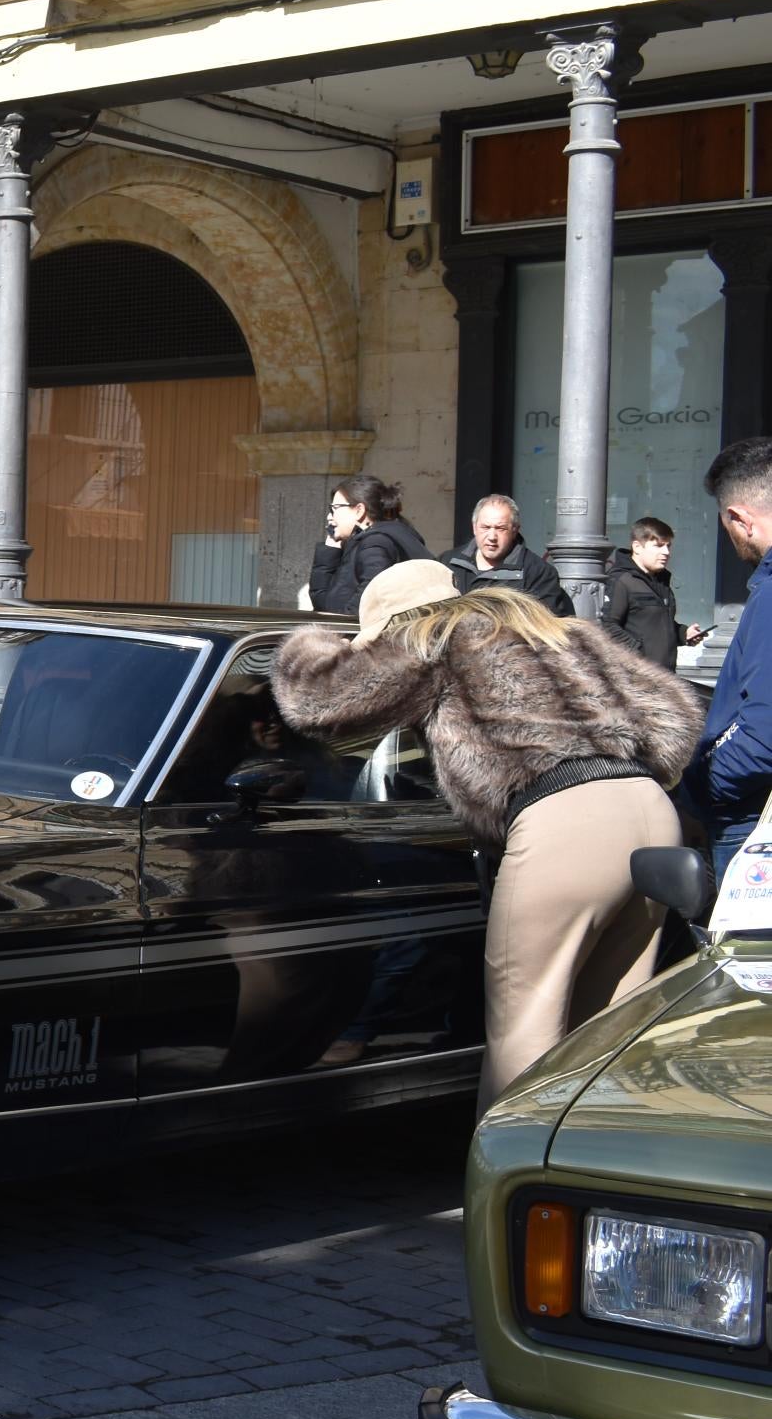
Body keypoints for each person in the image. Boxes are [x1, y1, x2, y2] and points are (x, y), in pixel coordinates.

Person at [273, 560, 701, 1102]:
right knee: (608, 1030)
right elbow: (676, 719)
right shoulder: (555, 628)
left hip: (564, 823)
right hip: (649, 811)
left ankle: (504, 1180)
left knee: (524, 1028)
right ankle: (598, 1174)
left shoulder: (429, 636)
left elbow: (315, 702)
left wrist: (309, 638)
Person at [689, 438, 772, 871]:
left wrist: (702, 787)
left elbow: (763, 736)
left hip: (752, 826)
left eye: (727, 526)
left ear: (740, 518)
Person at [307, 474, 431, 617]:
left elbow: (359, 614)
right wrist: (330, 550)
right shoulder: (383, 540)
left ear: (359, 510)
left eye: (335, 508)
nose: (330, 517)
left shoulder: (374, 545)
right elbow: (324, 605)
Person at [445, 494, 573, 617]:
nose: (492, 537)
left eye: (500, 529)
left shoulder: (538, 574)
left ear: (514, 530)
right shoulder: (447, 563)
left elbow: (546, 628)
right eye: (485, 527)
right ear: (474, 528)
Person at [600, 516, 703, 664]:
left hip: (663, 675)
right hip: (637, 677)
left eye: (668, 546)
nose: (666, 552)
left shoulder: (660, 580)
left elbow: (655, 622)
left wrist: (683, 633)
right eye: (658, 546)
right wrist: (640, 654)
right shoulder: (622, 580)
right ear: (637, 547)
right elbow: (608, 627)